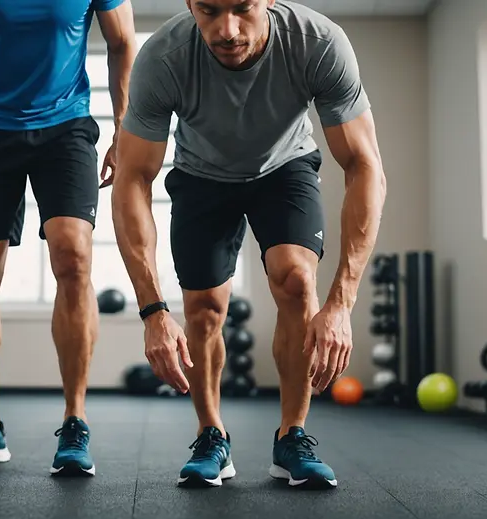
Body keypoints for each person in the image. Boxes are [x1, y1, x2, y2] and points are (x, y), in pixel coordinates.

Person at [111, 0, 386, 489]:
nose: (227, 29)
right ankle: (211, 435)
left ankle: (292, 436)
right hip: (200, 174)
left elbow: (365, 168)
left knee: (297, 280)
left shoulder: (317, 44)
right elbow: (132, 179)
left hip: (285, 167)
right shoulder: (164, 58)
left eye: (243, 8)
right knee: (203, 310)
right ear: (190, 4)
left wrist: (341, 301)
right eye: (210, 11)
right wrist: (152, 310)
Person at [0, 0, 137, 476]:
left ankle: (75, 421)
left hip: (67, 128)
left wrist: (125, 130)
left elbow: (121, 44)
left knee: (73, 258)